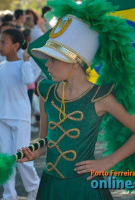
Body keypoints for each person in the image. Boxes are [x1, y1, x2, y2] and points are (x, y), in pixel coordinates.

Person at [18, 0, 135, 199]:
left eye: (52, 58)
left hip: (85, 188)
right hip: (50, 186)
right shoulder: (46, 91)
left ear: (74, 61)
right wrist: (38, 151)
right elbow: (45, 139)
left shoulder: (101, 98)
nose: (46, 64)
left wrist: (107, 162)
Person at [0, 28, 41, 200]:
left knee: (22, 155)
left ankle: (34, 188)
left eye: (4, 42)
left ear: (16, 45)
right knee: (6, 158)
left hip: (20, 116)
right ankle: (9, 195)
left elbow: (28, 81)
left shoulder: (26, 64)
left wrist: (26, 60)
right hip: (3, 116)